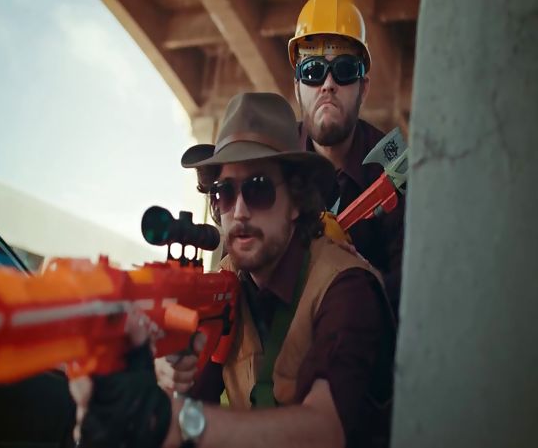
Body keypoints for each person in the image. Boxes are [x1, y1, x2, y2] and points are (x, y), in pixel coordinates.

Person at [71, 92, 396, 448]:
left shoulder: (346, 287)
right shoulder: (225, 283)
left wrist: (179, 422)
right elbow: (196, 399)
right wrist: (166, 376)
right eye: (224, 193)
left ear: (296, 201)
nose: (238, 211)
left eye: (259, 189)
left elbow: (324, 430)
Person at [289, 0, 405, 313]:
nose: (328, 84)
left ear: (363, 88)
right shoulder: (274, 159)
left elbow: (415, 286)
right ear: (297, 86)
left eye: (344, 70)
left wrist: (370, 281)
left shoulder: (397, 169)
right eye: (313, 71)